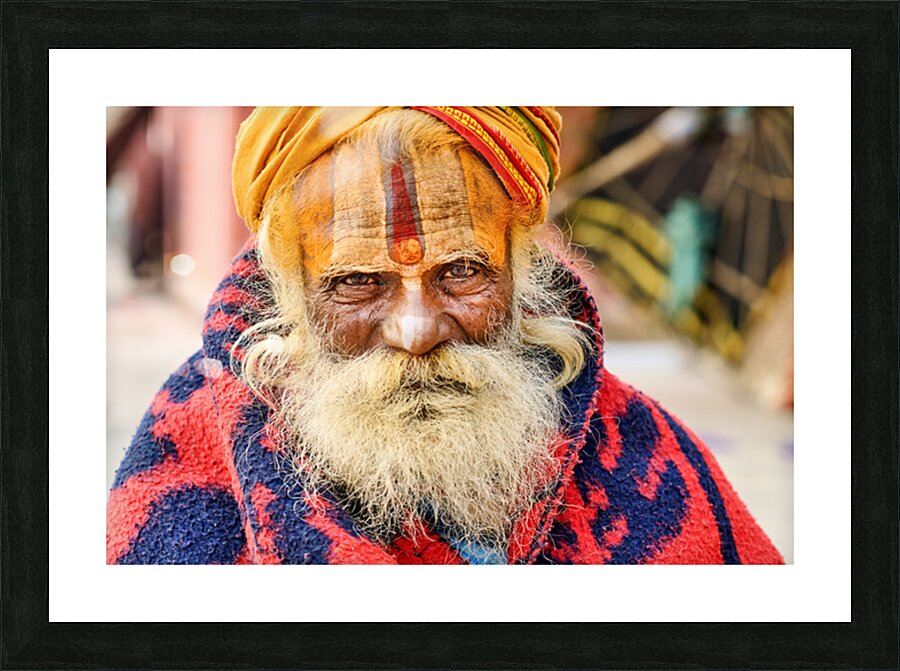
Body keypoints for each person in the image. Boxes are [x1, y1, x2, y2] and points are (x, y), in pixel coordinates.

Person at [107, 107, 784, 565]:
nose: (415, 330)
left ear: (524, 278)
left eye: (461, 271)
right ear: (289, 294)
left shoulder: (643, 453)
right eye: (356, 282)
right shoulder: (186, 457)